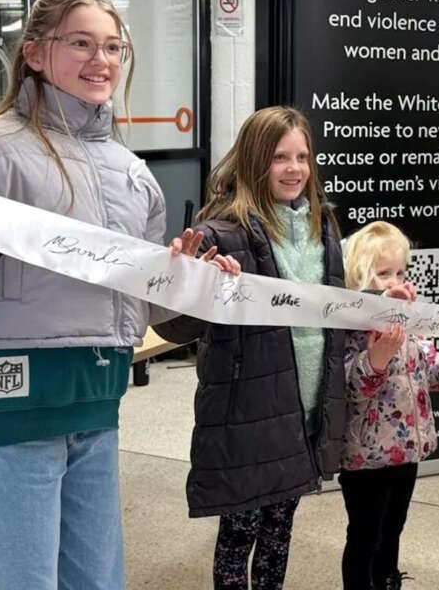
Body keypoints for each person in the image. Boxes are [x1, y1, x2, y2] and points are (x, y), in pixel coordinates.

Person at [0, 0, 230, 589]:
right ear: (34, 52)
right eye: (81, 43)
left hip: (98, 398)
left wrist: (191, 280)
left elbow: (135, 309)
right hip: (18, 404)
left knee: (97, 579)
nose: (102, 61)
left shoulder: (132, 174)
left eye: (114, 47)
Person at [153, 105, 347, 590]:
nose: (294, 169)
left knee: (281, 527)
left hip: (305, 403)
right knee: (239, 531)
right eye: (280, 157)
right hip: (248, 410)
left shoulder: (325, 227)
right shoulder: (221, 232)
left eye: (303, 156)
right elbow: (175, 329)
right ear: (255, 161)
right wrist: (187, 282)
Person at [339, 220, 439, 590]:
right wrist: (376, 357)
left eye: (400, 271)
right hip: (365, 456)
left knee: (394, 526)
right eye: (383, 274)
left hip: (407, 451)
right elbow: (350, 388)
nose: (395, 282)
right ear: (359, 278)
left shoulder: (412, 319)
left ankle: (387, 579)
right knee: (365, 533)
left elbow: (431, 371)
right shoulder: (349, 325)